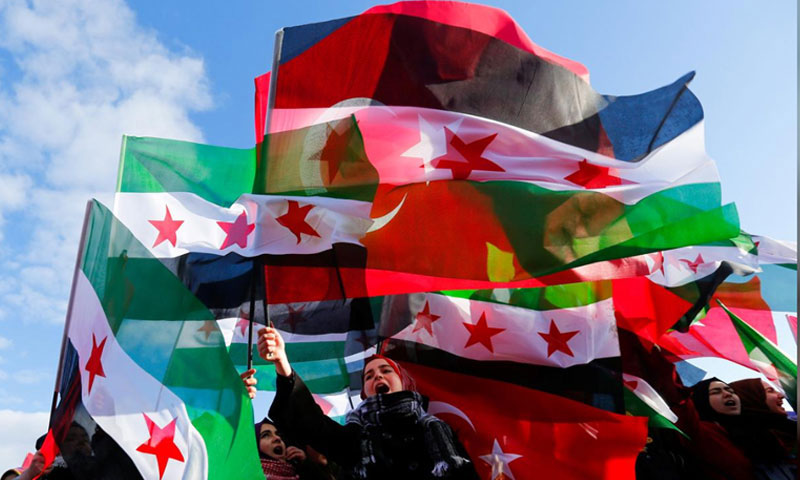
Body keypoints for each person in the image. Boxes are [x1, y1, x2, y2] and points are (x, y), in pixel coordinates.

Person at [258, 326, 478, 480]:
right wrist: (282, 362)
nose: (378, 377)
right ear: (365, 393)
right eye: (369, 376)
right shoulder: (355, 438)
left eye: (385, 371)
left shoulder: (436, 430)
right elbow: (311, 422)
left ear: (404, 383)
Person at [730, 378, 797, 479]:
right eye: (770, 391)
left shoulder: (789, 430)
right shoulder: (747, 447)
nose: (782, 395)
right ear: (751, 397)